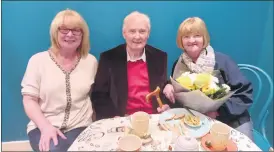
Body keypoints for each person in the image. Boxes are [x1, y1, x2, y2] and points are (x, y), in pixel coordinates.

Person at [163, 17, 254, 140]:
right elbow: (181, 94)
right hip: (199, 121)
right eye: (186, 36)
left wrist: (218, 112)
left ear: (204, 38)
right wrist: (169, 85)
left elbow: (245, 94)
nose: (192, 40)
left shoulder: (223, 61)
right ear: (181, 41)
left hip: (232, 119)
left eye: (197, 35)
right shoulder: (178, 64)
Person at [21, 9, 98, 152]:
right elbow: (29, 100)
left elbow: (95, 96)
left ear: (83, 35)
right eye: (64, 29)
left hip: (80, 125)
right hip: (43, 126)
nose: (70, 34)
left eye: (76, 30)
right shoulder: (37, 61)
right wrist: (45, 127)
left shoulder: (91, 61)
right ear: (55, 33)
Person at [92, 11, 170, 120]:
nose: (137, 36)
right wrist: (115, 117)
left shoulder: (160, 57)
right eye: (132, 31)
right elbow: (99, 95)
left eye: (142, 31)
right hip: (122, 118)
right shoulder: (108, 58)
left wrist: (165, 104)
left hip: (153, 117)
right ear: (124, 33)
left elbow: (161, 89)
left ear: (148, 34)